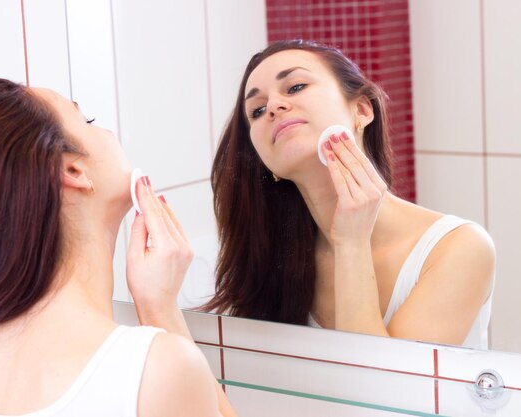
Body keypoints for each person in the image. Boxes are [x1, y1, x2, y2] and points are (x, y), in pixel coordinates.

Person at [0, 79, 236, 417]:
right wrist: (161, 311)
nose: (107, 131)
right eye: (86, 120)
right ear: (72, 169)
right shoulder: (159, 372)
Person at [205, 40, 495, 349]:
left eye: (295, 87)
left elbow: (382, 392)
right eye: (258, 110)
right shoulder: (269, 263)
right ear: (268, 163)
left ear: (361, 110)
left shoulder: (460, 248)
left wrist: (352, 243)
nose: (274, 106)